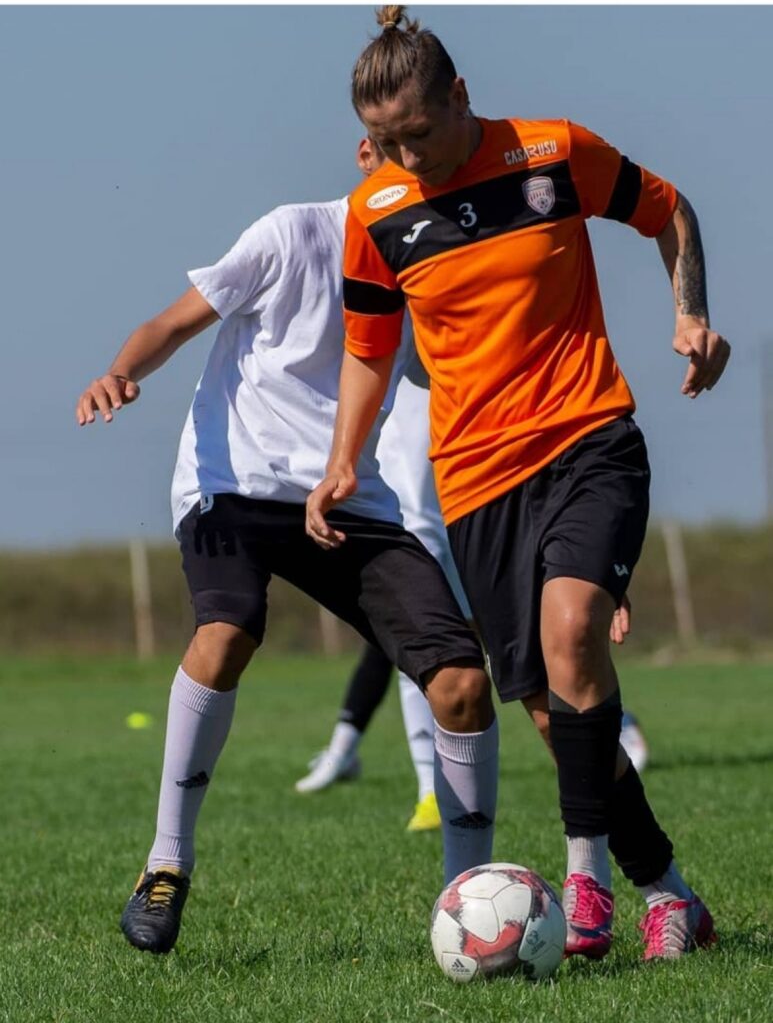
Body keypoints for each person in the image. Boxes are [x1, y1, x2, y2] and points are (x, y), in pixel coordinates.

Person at [306, 5, 730, 962]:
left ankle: (585, 881)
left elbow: (668, 210)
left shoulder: (552, 152)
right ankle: (669, 892)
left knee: (573, 633)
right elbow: (369, 349)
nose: (405, 156)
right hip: (475, 481)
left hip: (588, 438)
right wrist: (341, 460)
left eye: (418, 132)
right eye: (384, 141)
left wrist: (689, 315)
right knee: (550, 703)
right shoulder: (375, 214)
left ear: (460, 95)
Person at [75, 141, 499, 955]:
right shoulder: (290, 234)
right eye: (394, 150)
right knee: (227, 629)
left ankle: (468, 908)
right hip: (231, 483)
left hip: (348, 498)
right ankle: (165, 863)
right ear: (366, 152)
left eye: (427, 155)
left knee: (461, 685)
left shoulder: (432, 265)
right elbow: (171, 322)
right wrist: (121, 371)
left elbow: (459, 381)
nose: (412, 169)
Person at [297, 368, 468, 835]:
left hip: (450, 404)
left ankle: (612, 728)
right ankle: (429, 786)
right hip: (392, 413)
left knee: (510, 624)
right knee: (418, 620)